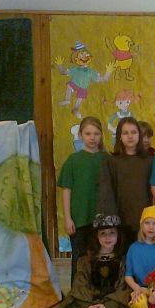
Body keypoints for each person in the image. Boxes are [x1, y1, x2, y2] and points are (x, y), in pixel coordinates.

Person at [58, 116, 108, 282]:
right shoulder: (73, 161)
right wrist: (68, 218)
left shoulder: (106, 160)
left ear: (101, 135)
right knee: (79, 258)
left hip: (101, 219)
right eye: (88, 134)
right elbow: (67, 190)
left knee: (100, 258)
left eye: (96, 134)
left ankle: (98, 291)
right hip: (79, 219)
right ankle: (77, 292)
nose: (92, 137)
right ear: (80, 135)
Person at [98, 117, 153, 244]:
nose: (130, 136)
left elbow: (152, 191)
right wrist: (112, 219)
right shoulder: (111, 161)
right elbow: (107, 191)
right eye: (125, 133)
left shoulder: (149, 161)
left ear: (139, 135)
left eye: (134, 132)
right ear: (119, 136)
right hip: (120, 219)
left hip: (144, 219)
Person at [124, 206, 155, 303]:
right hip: (141, 290)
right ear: (141, 225)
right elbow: (128, 275)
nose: (151, 227)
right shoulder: (134, 248)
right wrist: (136, 288)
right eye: (147, 223)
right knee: (141, 306)